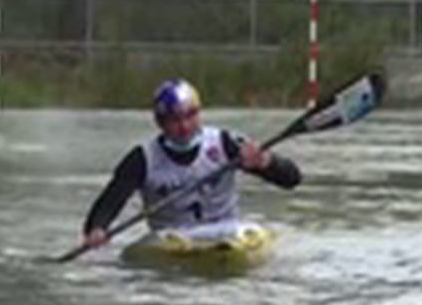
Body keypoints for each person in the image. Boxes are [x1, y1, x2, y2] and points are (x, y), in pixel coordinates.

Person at [81, 78, 302, 249]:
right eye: (175, 119)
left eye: (190, 116)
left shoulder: (226, 143)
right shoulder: (142, 159)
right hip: (173, 239)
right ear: (160, 122)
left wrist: (265, 161)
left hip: (226, 233)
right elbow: (110, 201)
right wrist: (97, 229)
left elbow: (292, 179)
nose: (184, 126)